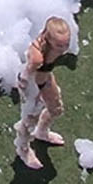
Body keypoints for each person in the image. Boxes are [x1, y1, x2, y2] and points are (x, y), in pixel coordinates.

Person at [12, 16, 73, 169]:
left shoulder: (50, 44)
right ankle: (22, 148)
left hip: (44, 77)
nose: (64, 48)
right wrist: (32, 92)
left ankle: (42, 131)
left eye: (66, 43)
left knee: (56, 108)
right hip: (32, 84)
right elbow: (26, 75)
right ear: (48, 39)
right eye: (59, 45)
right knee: (29, 120)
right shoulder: (37, 56)